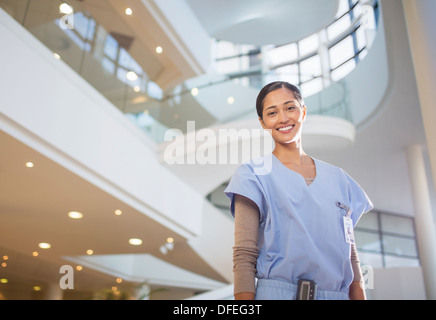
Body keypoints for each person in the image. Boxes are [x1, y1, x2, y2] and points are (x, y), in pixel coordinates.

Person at [224, 81, 373, 300]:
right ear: (263, 122)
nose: (283, 118)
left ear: (303, 111)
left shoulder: (340, 179)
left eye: (290, 108)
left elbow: (351, 256)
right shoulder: (251, 175)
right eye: (272, 112)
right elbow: (244, 256)